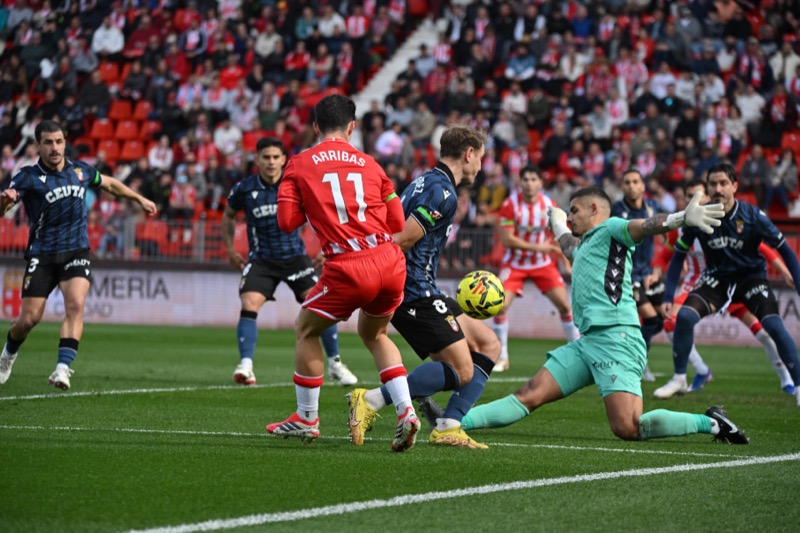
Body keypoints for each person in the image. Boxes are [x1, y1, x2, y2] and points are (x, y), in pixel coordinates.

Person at [457, 186, 751, 445]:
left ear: (594, 209)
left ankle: (712, 423)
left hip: (616, 339)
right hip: (588, 343)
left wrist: (680, 219)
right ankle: (454, 422)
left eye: (574, 210)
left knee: (628, 427)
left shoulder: (612, 228)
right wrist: (558, 224)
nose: (570, 217)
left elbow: (645, 226)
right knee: (530, 393)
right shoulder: (584, 245)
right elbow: (569, 247)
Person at [265, 95, 421, 452]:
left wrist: (312, 203)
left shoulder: (299, 164)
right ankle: (406, 411)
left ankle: (307, 418)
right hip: (390, 260)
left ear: (315, 127)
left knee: (306, 328)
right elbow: (398, 221)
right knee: (376, 334)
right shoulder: (371, 164)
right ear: (352, 126)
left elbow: (287, 222)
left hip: (349, 265)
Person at [347, 126, 501, 450]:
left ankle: (448, 425)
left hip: (423, 286)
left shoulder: (425, 181)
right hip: (412, 290)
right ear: (468, 154)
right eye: (481, 157)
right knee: (462, 370)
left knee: (488, 344)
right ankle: (372, 400)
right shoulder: (442, 192)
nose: (481, 166)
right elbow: (404, 239)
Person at [0, 120, 156, 390]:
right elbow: (4, 209)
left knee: (75, 304)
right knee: (28, 320)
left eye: (59, 141)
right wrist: (4, 203)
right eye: (48, 142)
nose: (55, 148)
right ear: (38, 145)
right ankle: (8, 355)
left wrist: (138, 199)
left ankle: (62, 369)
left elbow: (110, 184)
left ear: (65, 142)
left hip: (76, 251)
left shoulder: (81, 171)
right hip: (43, 255)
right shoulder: (27, 176)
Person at [656, 163, 800, 403]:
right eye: (713, 184)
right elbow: (678, 253)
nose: (718, 189)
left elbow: (784, 250)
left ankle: (797, 385)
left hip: (751, 279)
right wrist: (669, 295)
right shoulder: (699, 216)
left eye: (723, 183)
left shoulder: (752, 216)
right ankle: (680, 378)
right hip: (718, 280)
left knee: (773, 327)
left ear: (734, 186)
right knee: (685, 317)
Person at [222, 137, 358, 388]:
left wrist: (326, 245)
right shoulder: (245, 188)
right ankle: (246, 366)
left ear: (284, 159)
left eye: (276, 157)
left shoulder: (296, 185)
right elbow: (228, 215)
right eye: (266, 157)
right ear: (257, 159)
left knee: (321, 305)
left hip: (295, 258)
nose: (271, 162)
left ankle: (336, 363)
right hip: (262, 260)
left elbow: (323, 214)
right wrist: (231, 250)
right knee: (249, 302)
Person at [491, 166, 579, 372]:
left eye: (533, 179)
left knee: (564, 306)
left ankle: (578, 353)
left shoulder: (549, 205)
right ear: (520, 182)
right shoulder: (510, 204)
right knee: (499, 306)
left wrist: (566, 264)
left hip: (542, 263)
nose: (529, 183)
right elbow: (507, 240)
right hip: (514, 263)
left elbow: (560, 234)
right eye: (526, 179)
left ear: (540, 183)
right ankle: (502, 358)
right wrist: (539, 247)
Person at [610, 169, 664, 382]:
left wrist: (657, 268)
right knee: (650, 319)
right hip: (626, 274)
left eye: (635, 182)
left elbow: (664, 239)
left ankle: (631, 353)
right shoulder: (616, 210)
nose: (631, 186)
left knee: (661, 321)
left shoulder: (653, 207)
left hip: (648, 272)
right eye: (627, 182)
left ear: (643, 186)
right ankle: (639, 361)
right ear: (622, 186)